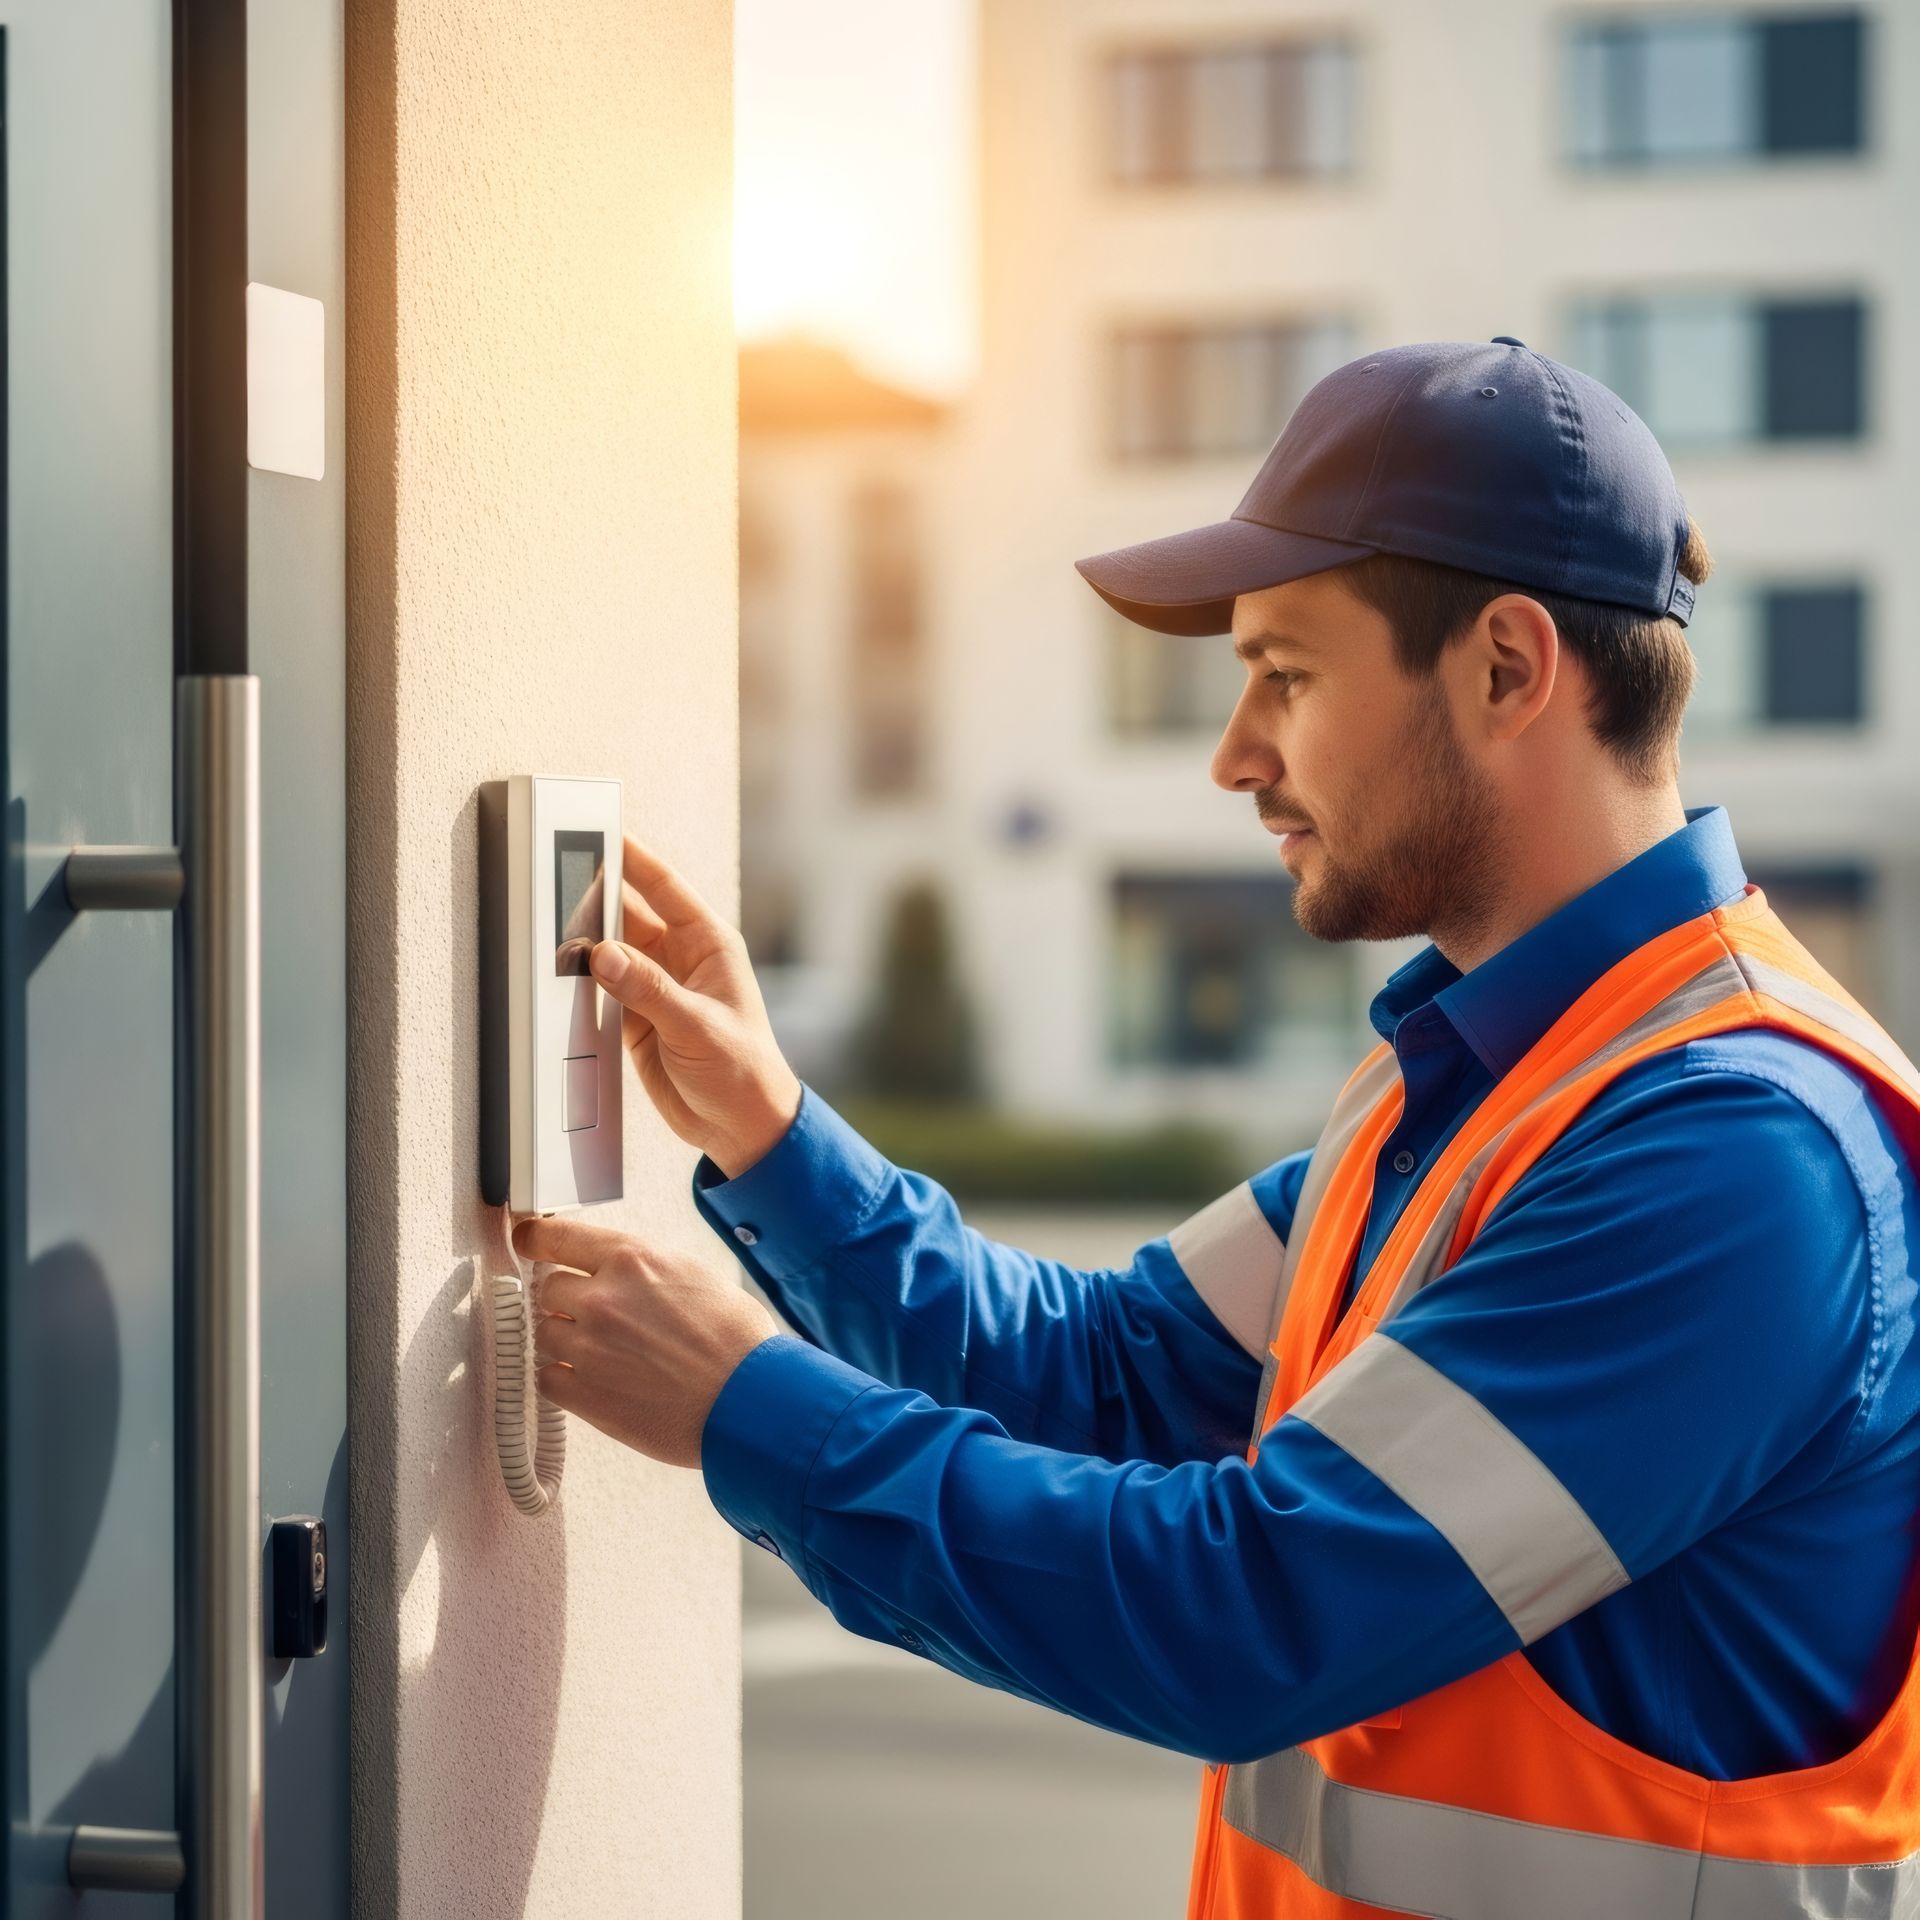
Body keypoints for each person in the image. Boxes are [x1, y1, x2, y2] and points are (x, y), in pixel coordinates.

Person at [517, 338, 1920, 1917]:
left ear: (1511, 669)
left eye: (1289, 675)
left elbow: (1251, 1611)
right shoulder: (1468, 1081)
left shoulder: (1737, 1157)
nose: (1235, 753)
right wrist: (774, 1135)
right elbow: (1106, 1379)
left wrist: (746, 1409)